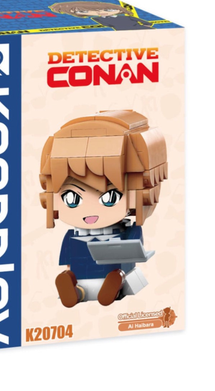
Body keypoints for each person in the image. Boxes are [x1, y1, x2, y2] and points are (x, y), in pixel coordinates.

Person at [39, 110, 167, 307]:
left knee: (122, 276)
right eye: (71, 198)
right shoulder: (72, 237)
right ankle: (73, 289)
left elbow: (134, 254)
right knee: (74, 279)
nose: (90, 211)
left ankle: (114, 283)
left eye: (110, 197)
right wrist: (69, 272)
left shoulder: (129, 231)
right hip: (81, 275)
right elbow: (68, 261)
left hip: (114, 274)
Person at [50, 1, 154, 31]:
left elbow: (135, 18)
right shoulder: (98, 19)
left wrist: (147, 24)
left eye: (108, 10)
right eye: (82, 11)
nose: (102, 12)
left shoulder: (124, 17)